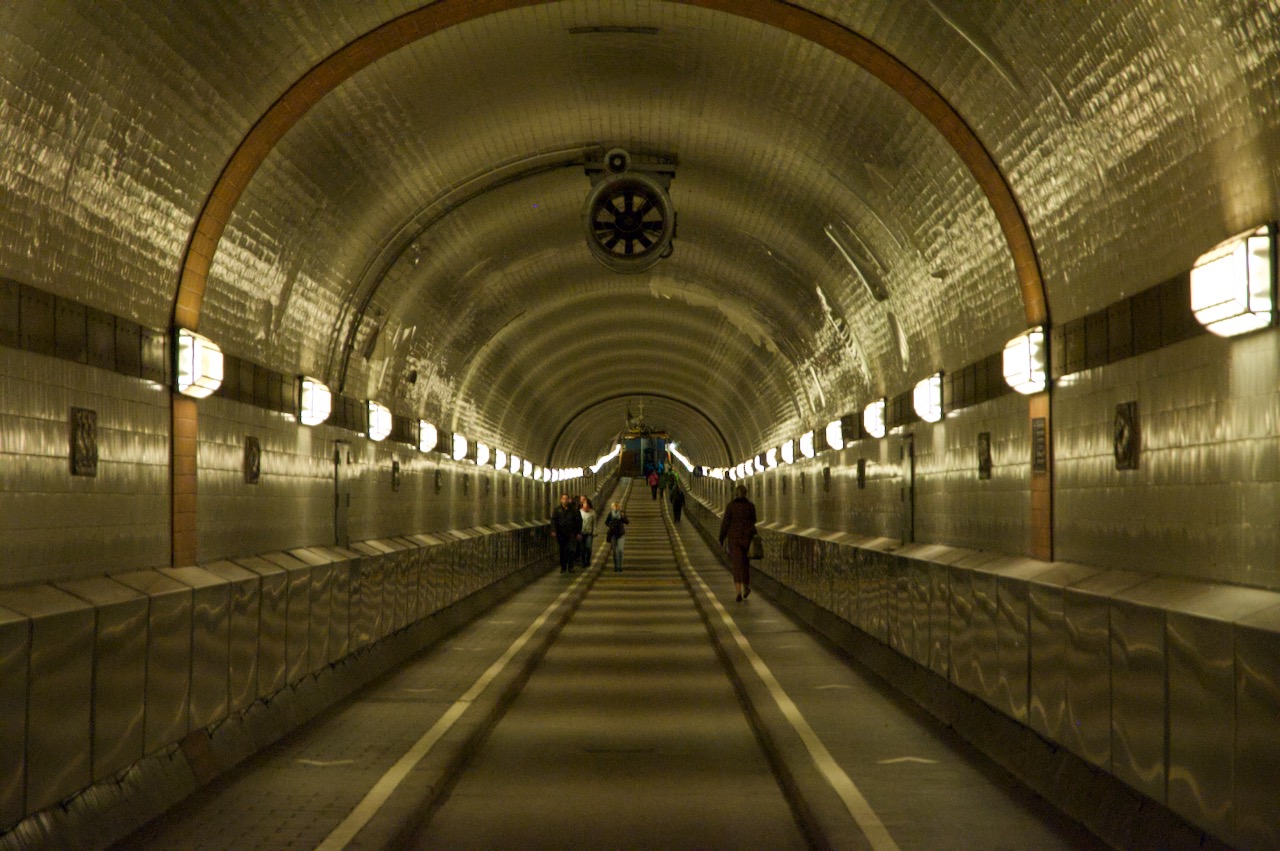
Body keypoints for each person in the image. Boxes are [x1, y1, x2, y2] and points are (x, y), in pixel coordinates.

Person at [718, 484, 757, 602]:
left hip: (734, 539)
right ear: (746, 493)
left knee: (736, 565)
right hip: (746, 539)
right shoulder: (750, 506)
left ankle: (738, 591)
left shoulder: (731, 507)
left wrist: (721, 537)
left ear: (736, 493)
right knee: (745, 564)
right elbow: (754, 520)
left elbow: (725, 523)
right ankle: (746, 588)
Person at [551, 492, 583, 573]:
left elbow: (579, 521)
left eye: (566, 499)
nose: (565, 500)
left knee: (571, 550)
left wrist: (578, 532)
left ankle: (571, 566)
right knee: (562, 550)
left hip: (571, 533)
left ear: (568, 500)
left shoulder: (573, 510)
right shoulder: (557, 510)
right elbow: (554, 521)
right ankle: (563, 567)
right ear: (561, 500)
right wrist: (554, 530)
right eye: (563, 499)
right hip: (561, 533)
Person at [604, 501, 629, 572]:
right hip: (613, 534)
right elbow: (606, 522)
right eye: (614, 506)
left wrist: (623, 517)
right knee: (614, 551)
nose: (615, 508)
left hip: (621, 534)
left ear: (619, 507)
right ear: (612, 507)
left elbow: (627, 522)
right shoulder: (610, 514)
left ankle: (620, 566)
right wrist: (611, 526)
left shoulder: (621, 514)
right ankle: (616, 566)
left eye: (617, 506)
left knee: (620, 550)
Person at [578, 495, 597, 569]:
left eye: (587, 505)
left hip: (589, 532)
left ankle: (588, 560)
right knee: (582, 548)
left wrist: (594, 531)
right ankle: (583, 562)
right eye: (584, 505)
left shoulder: (592, 512)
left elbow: (594, 523)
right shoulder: (579, 512)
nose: (585, 507)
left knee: (588, 547)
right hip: (581, 532)